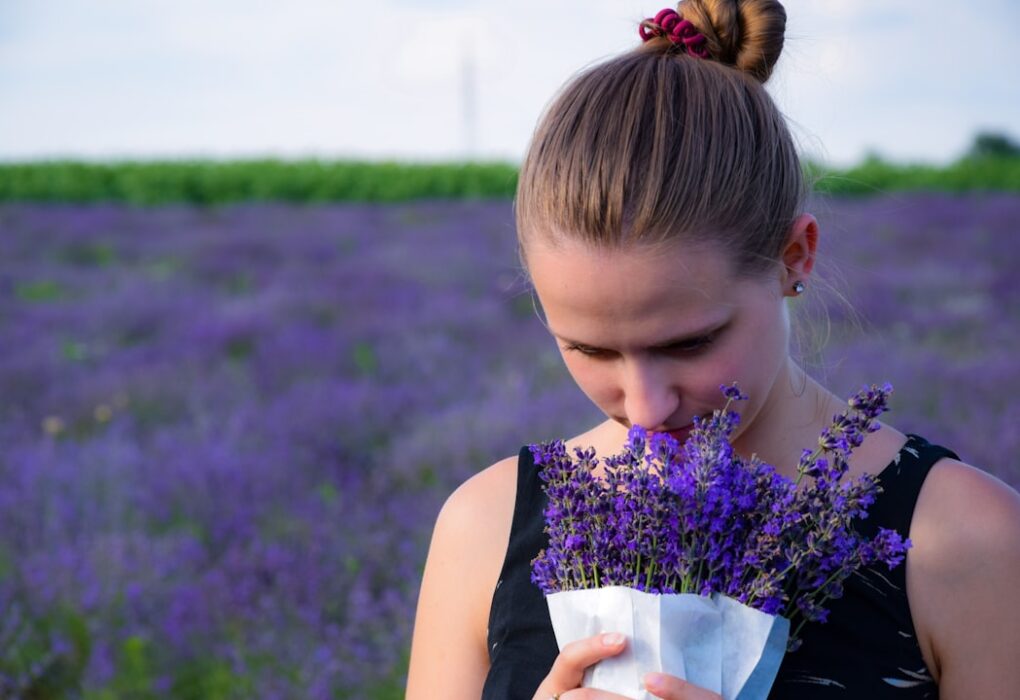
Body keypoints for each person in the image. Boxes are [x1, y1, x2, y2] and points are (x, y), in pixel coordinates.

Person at [405, 1, 1020, 698]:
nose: (645, 406)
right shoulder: (485, 528)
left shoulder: (969, 542)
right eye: (591, 350)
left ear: (795, 256)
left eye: (690, 342)